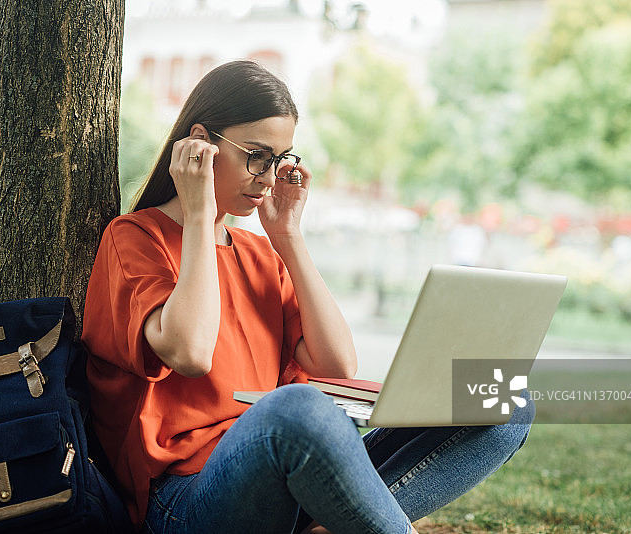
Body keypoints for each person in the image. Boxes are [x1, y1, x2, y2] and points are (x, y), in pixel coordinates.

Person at [81, 60, 534, 534]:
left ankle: (331, 522)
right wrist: (199, 215)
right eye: (256, 155)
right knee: (295, 410)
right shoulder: (134, 238)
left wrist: (288, 237)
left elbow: (337, 364)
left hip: (291, 479)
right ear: (201, 142)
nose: (268, 176)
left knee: (504, 396)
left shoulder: (261, 253)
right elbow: (190, 352)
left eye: (280, 159)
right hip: (184, 501)